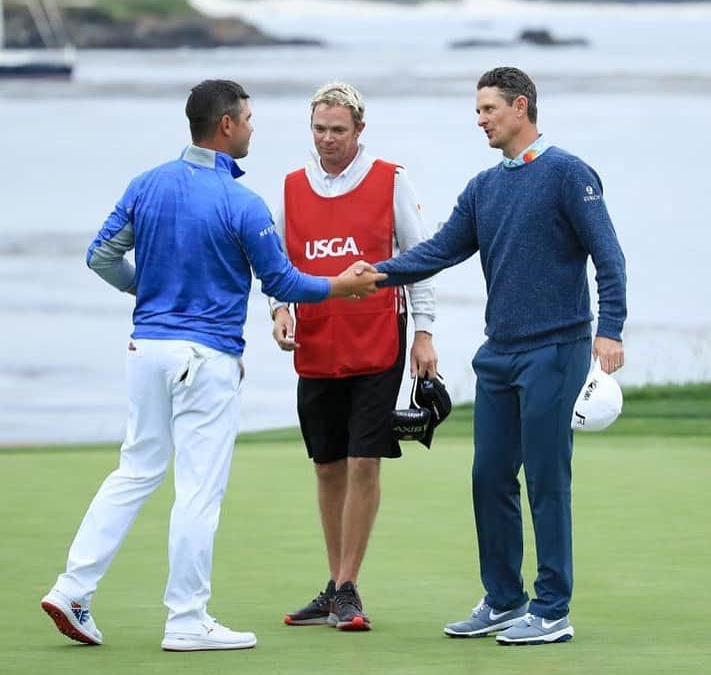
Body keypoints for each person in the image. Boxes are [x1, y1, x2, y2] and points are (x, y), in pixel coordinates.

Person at [40, 79, 385, 652]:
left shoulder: (146, 184)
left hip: (147, 351)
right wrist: (342, 286)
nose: (252, 127)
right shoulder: (240, 203)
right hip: (206, 359)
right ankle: (186, 620)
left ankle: (72, 587)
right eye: (247, 119)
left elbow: (100, 256)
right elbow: (282, 282)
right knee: (197, 490)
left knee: (135, 471)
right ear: (226, 126)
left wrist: (149, 292)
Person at [374, 67, 627, 645]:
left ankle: (553, 609)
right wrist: (377, 273)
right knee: (489, 476)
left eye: (488, 109)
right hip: (500, 355)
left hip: (556, 349)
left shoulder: (568, 173)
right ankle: (506, 599)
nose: (480, 120)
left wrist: (609, 330)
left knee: (545, 479)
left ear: (520, 107)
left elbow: (609, 260)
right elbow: (439, 249)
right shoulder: (484, 187)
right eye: (478, 111)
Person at [270, 82, 437, 631]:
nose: (328, 140)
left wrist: (424, 332)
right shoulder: (293, 187)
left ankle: (347, 587)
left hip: (378, 339)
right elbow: (277, 262)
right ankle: (333, 584)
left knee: (365, 458)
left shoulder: (390, 178)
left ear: (359, 130)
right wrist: (279, 309)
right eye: (319, 129)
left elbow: (418, 258)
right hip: (317, 342)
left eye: (338, 130)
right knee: (327, 464)